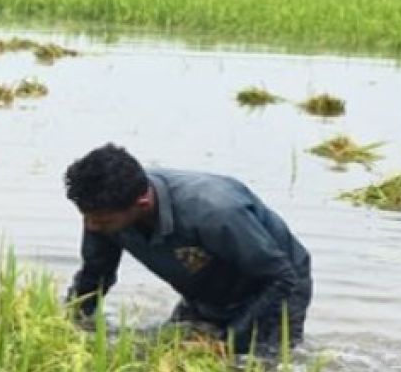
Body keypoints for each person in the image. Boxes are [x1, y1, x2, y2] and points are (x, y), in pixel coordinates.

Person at [64, 143, 312, 354]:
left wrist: (228, 342)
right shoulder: (103, 208)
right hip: (206, 286)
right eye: (86, 216)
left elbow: (280, 277)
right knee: (170, 352)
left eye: (102, 221)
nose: (91, 226)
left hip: (274, 286)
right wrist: (68, 324)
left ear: (142, 203)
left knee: (256, 366)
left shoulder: (215, 211)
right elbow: (95, 275)